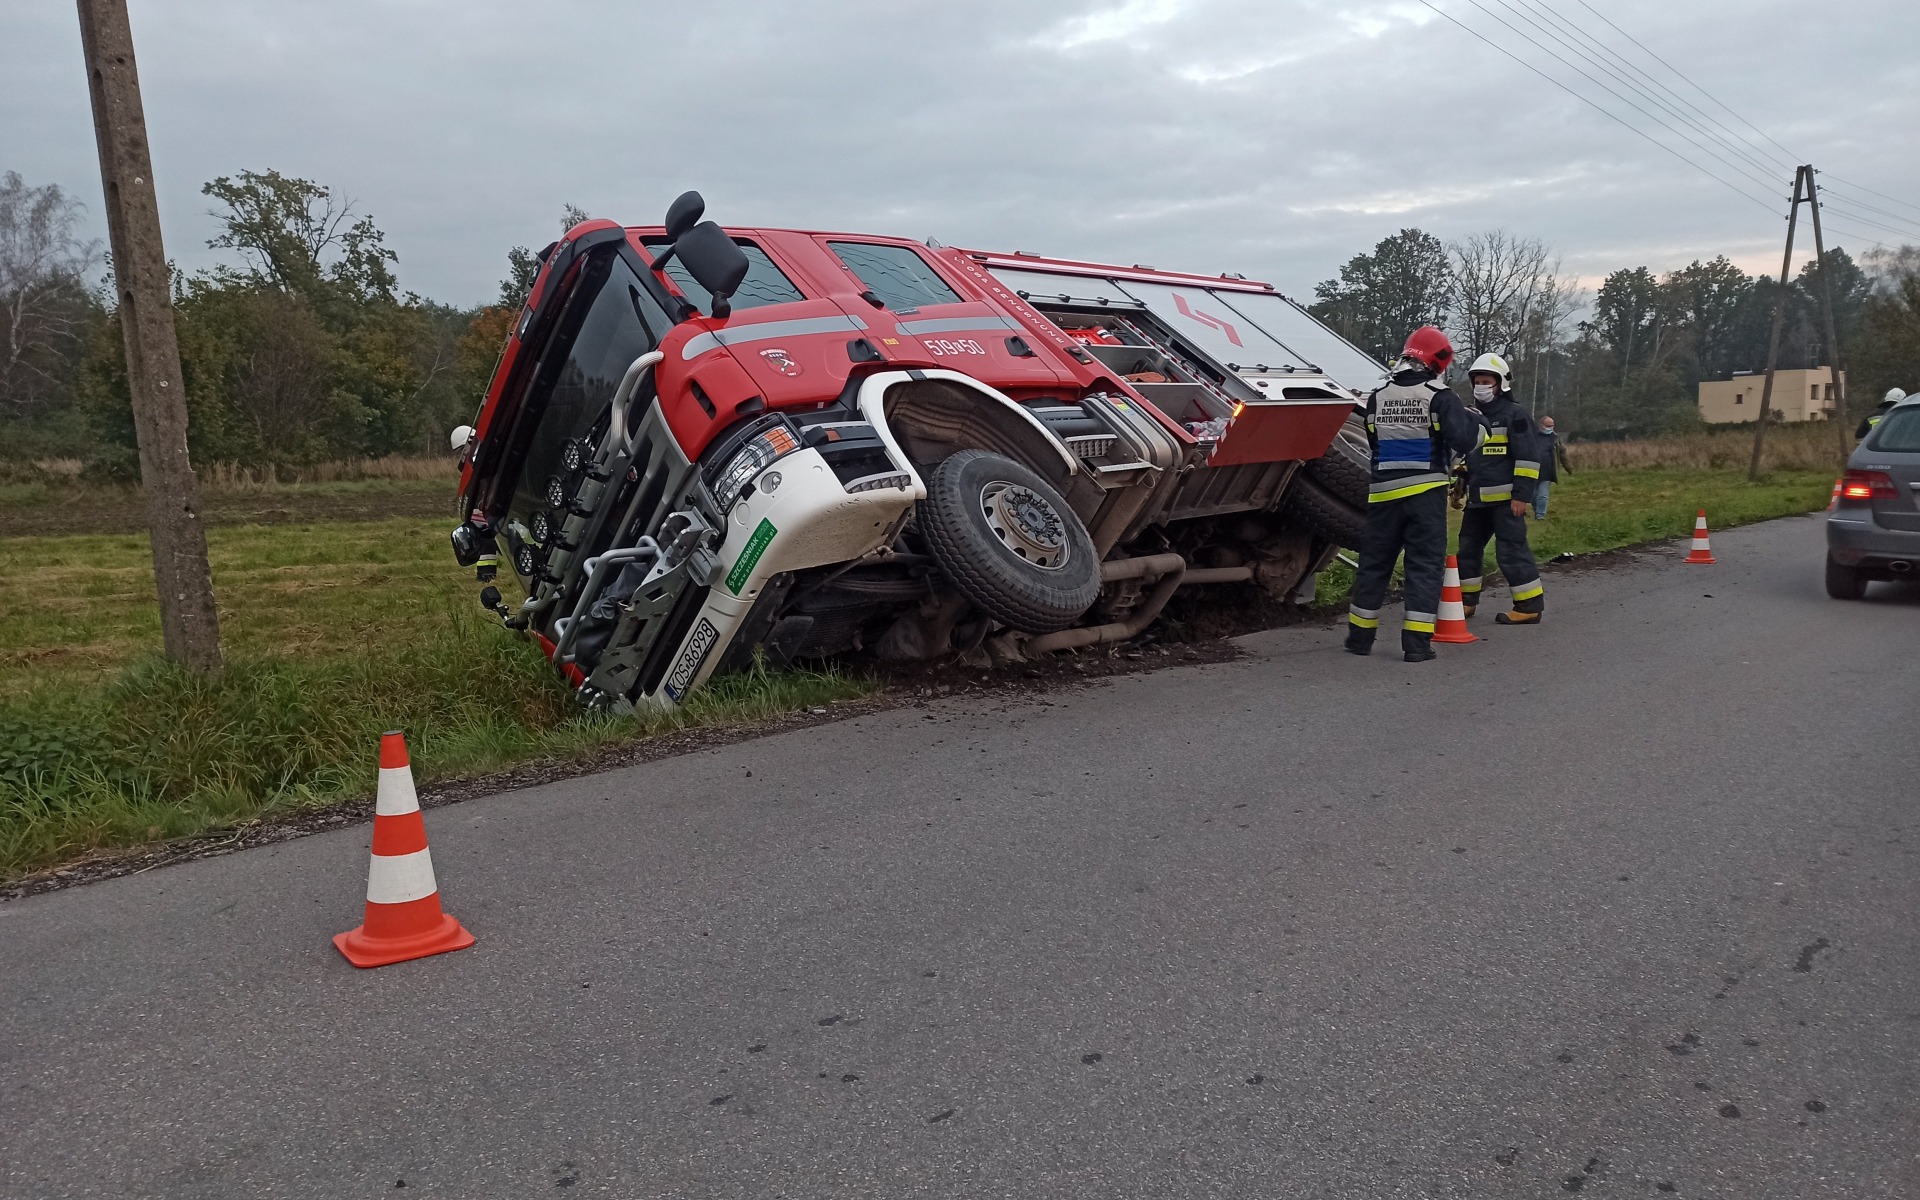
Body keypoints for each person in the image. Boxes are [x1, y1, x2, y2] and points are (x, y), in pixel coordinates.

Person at [1346, 327, 1487, 662]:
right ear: (1438, 361)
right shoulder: (1440, 396)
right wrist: (1479, 425)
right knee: (1423, 567)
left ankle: (1358, 640)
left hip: (1383, 494)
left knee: (1373, 566)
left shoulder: (1377, 395)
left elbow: (1373, 437)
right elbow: (1465, 441)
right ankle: (1417, 646)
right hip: (1425, 494)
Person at [1455, 353, 1546, 625]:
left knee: (1511, 551)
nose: (1480, 386)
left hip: (1507, 501)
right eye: (1477, 381)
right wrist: (1460, 481)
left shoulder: (1515, 415)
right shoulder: (1472, 416)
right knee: (1467, 549)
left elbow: (1529, 458)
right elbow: (1468, 454)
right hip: (1478, 500)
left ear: (1501, 384)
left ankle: (1528, 606)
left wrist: (1521, 496)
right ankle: (1465, 602)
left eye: (1486, 381)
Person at [1532, 414, 1571, 519]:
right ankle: (1536, 510)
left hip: (1548, 472)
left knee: (1543, 496)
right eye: (1548, 426)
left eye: (1552, 425)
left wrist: (1569, 468)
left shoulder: (1555, 438)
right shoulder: (1531, 436)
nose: (1550, 428)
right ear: (1541, 426)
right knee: (1533, 495)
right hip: (1532, 471)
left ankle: (1540, 516)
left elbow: (1563, 453)